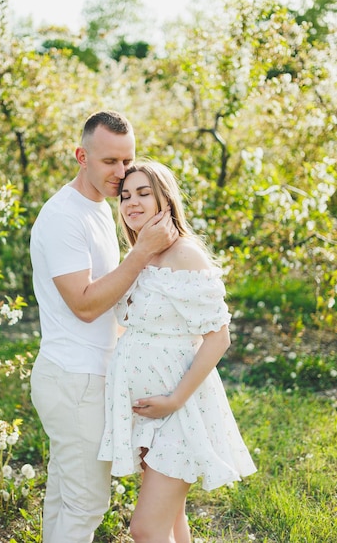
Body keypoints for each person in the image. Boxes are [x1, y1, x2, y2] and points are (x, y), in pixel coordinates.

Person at [29, 111, 178, 543]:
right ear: (82, 156)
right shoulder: (62, 217)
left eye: (127, 161)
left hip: (88, 376)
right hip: (74, 380)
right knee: (86, 505)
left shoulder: (97, 209)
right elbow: (86, 305)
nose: (121, 172)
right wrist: (143, 252)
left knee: (64, 496)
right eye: (110, 161)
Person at [98, 161, 257, 543]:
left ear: (165, 200)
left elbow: (219, 338)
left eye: (143, 193)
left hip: (180, 410)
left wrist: (173, 400)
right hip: (148, 411)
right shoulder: (140, 254)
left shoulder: (185, 255)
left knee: (146, 528)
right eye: (125, 195)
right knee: (171, 521)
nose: (131, 202)